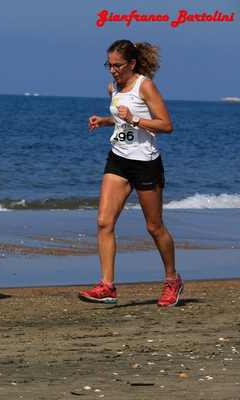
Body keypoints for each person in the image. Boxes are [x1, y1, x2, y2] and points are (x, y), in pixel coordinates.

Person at [78, 39, 183, 307]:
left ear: (132, 64)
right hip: (118, 159)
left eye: (117, 65)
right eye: (108, 65)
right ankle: (107, 286)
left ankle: (172, 280)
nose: (112, 70)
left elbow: (166, 125)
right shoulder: (116, 88)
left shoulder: (143, 85)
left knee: (154, 226)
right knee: (104, 222)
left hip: (145, 162)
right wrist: (105, 121)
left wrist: (135, 119)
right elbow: (122, 117)